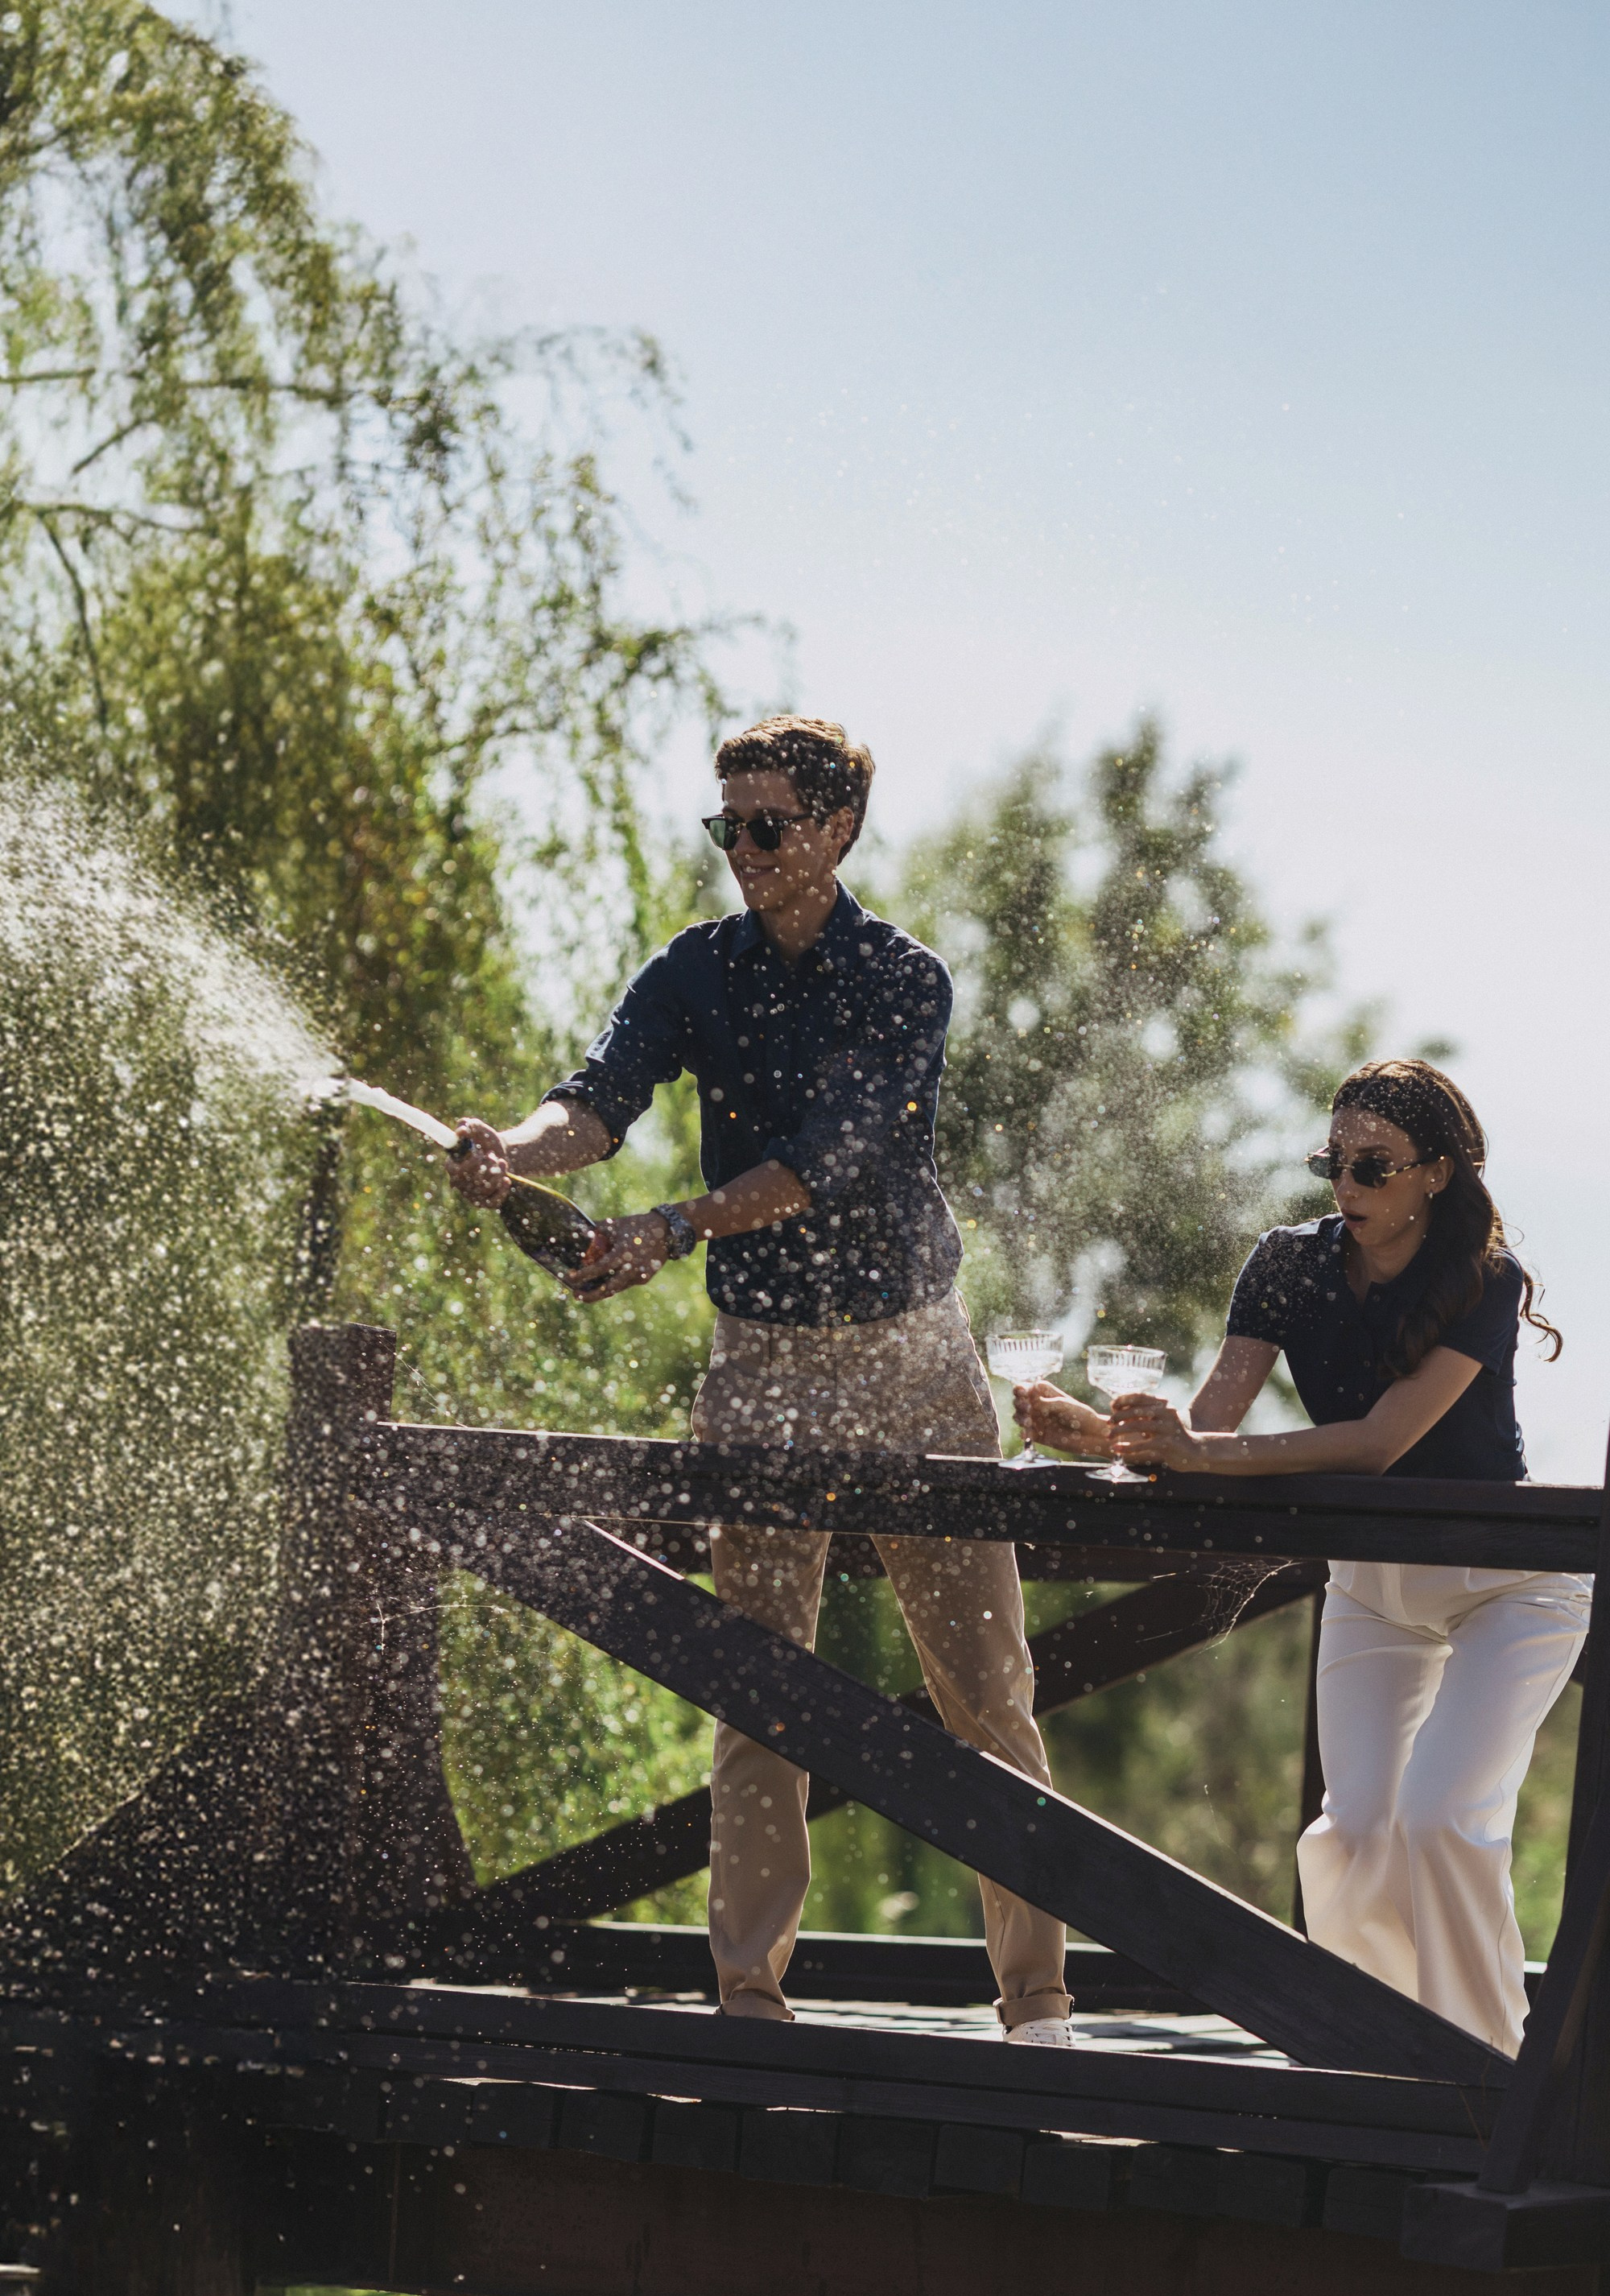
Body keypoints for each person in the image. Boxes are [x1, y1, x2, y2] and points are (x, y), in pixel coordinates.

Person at [448, 716, 1076, 2043]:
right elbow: (601, 1103)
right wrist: (514, 1149)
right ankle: (750, 2002)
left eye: (767, 825)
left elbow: (826, 1161)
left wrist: (669, 1230)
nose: (741, 848)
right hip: (762, 1362)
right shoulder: (694, 972)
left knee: (986, 1690)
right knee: (756, 1686)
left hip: (914, 1355)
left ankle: (1037, 2000)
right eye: (726, 825)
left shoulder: (903, 982)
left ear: (838, 828)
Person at [1015, 1059, 1587, 2057]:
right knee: (1348, 1839)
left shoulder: (1482, 1281)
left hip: (1510, 1584)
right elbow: (1202, 1437)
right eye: (1335, 1163)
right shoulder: (1284, 1264)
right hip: (1370, 1585)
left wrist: (1195, 1451)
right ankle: (1377, 2055)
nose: (1347, 1188)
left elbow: (1376, 1442)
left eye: (1374, 1166)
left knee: (1443, 1823)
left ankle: (1486, 2075)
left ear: (1436, 1174)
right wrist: (1097, 1436)